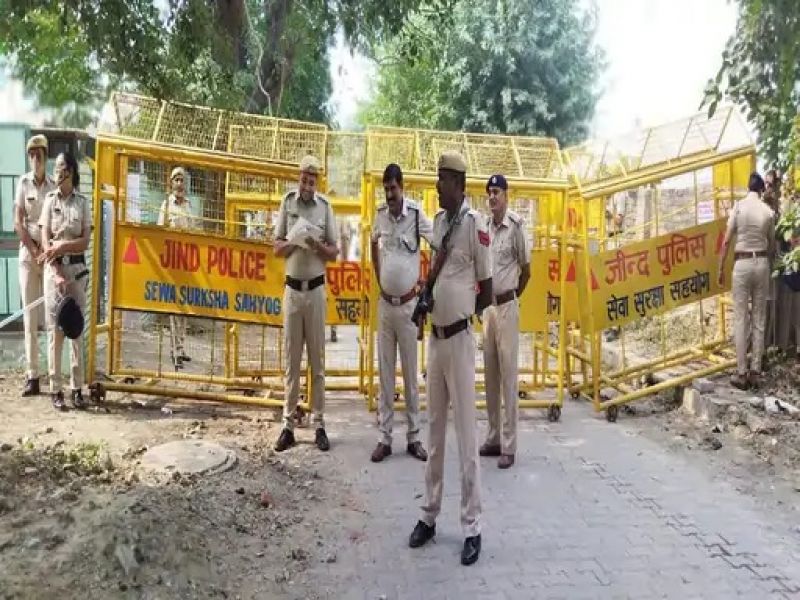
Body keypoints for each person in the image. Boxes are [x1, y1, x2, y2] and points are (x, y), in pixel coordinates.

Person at [408, 150, 492, 566]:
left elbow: (488, 285)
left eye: (442, 179)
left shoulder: (474, 225)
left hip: (459, 341)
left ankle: (472, 526)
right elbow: (435, 272)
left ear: (458, 183)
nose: (436, 185)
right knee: (435, 432)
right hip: (435, 343)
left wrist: (464, 315)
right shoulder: (439, 224)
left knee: (466, 437)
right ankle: (430, 514)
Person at [273, 155, 339, 452]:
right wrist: (294, 241)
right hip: (292, 292)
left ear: (318, 182)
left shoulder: (325, 208)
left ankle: (320, 424)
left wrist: (315, 245)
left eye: (312, 180)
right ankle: (287, 424)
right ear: (298, 177)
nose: (308, 184)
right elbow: (276, 248)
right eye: (304, 179)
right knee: (291, 361)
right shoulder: (287, 203)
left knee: (317, 361)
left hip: (314, 292)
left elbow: (334, 252)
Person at [369, 163, 433, 463]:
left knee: (409, 374)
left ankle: (414, 437)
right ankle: (384, 438)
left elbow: (438, 244)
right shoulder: (380, 215)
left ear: (402, 187)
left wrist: (426, 282)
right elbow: (373, 244)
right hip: (385, 306)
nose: (390, 194)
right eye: (386, 189)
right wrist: (380, 277)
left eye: (393, 188)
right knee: (384, 374)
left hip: (408, 307)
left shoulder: (418, 216)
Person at [478, 174, 531, 469]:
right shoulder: (484, 228)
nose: (492, 197)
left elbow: (526, 270)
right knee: (490, 375)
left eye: (497, 192)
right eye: (489, 193)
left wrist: (511, 295)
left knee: (509, 376)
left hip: (508, 306)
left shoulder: (516, 227)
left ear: (506, 195)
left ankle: (509, 445)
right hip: (489, 309)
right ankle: (494, 436)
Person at [37, 152, 91, 410]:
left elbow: (84, 241)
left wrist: (63, 245)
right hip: (54, 272)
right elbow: (46, 238)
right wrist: (56, 268)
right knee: (55, 331)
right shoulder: (49, 200)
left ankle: (77, 389)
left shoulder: (82, 203)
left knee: (76, 330)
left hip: (77, 271)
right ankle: (55, 389)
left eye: (60, 168)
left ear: (70, 171)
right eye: (55, 168)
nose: (57, 172)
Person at [718, 172, 776, 390]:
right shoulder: (768, 212)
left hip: (741, 264)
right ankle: (755, 371)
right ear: (761, 190)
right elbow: (771, 245)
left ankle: (741, 373)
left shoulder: (738, 207)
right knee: (759, 318)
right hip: (761, 263)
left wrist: (720, 267)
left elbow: (726, 241)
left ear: (748, 187)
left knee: (741, 318)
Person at [14, 134, 56, 397]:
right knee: (30, 317)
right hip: (29, 256)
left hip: (49, 256)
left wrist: (47, 250)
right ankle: (32, 376)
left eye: (39, 154)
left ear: (45, 156)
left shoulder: (53, 186)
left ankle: (54, 377)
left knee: (51, 318)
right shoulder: (23, 183)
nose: (35, 158)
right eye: (31, 154)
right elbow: (18, 222)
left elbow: (54, 221)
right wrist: (32, 248)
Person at [157, 166, 195, 369]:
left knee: (185, 309)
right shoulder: (166, 205)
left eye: (182, 180)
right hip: (172, 264)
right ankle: (174, 352)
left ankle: (181, 348)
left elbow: (196, 231)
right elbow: (160, 233)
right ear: (171, 183)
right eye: (176, 180)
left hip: (187, 265)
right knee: (174, 310)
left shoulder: (189, 206)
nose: (180, 183)